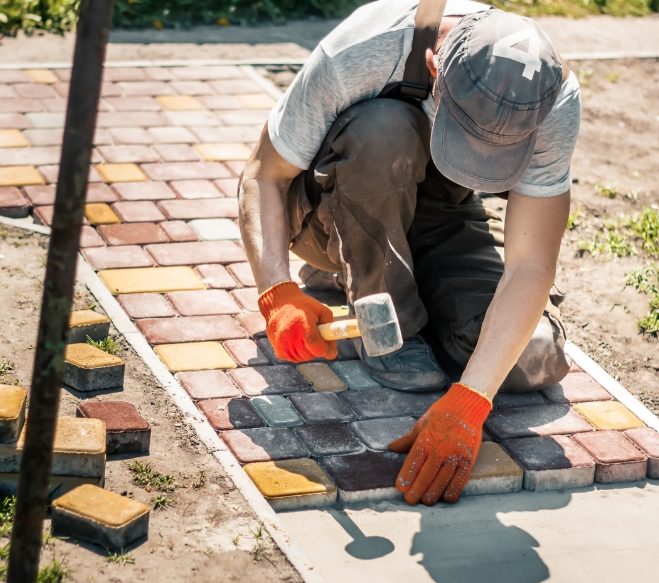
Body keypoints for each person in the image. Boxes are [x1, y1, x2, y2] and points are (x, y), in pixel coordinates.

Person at [238, 0, 581, 505]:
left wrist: (469, 401)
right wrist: (276, 290)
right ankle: (366, 287)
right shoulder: (365, 49)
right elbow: (262, 176)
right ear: (435, 69)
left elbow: (530, 265)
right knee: (384, 128)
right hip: (338, 208)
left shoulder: (549, 99)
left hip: (441, 215)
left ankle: (404, 282)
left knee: (534, 358)